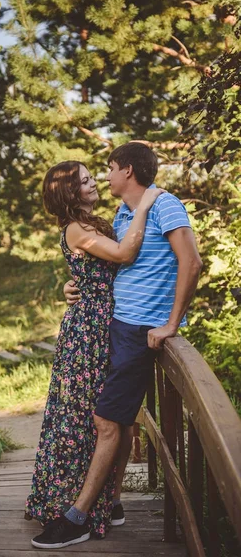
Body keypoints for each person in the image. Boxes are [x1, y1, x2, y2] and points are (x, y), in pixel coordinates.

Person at [31, 142, 202, 550]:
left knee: (108, 420)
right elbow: (107, 260)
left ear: (126, 170)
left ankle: (81, 515)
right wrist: (75, 286)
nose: (101, 178)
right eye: (90, 177)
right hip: (105, 328)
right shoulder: (121, 213)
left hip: (131, 328)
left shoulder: (160, 205)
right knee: (104, 418)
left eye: (105, 170)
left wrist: (172, 324)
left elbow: (190, 262)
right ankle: (107, 502)